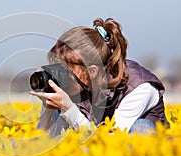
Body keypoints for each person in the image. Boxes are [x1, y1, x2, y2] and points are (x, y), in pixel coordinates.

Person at [29, 18, 168, 137]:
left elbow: (111, 140)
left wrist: (69, 110)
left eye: (64, 69)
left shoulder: (139, 87)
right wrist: (49, 108)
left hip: (141, 155)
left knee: (142, 127)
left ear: (92, 71)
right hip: (91, 150)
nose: (59, 74)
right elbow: (48, 140)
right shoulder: (76, 85)